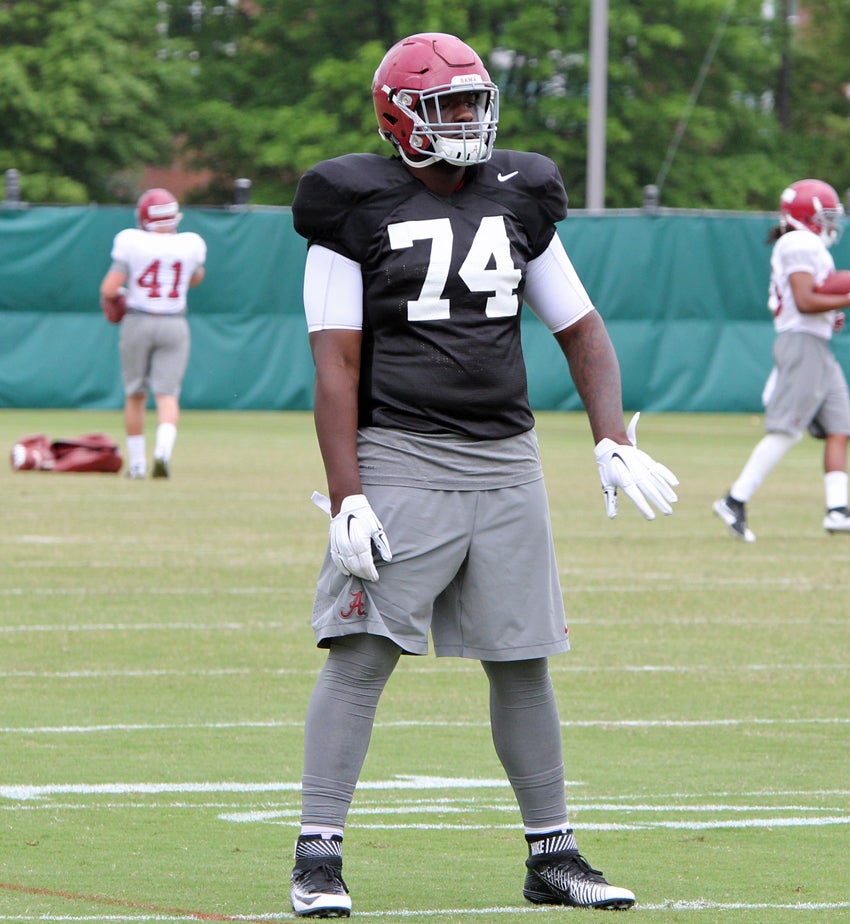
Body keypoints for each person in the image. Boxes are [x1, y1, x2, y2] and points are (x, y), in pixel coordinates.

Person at [289, 32, 679, 918]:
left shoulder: (518, 192)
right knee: (359, 655)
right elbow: (336, 367)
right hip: (403, 456)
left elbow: (579, 327)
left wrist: (609, 436)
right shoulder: (348, 205)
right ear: (400, 117)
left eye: (472, 102)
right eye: (446, 106)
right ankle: (318, 857)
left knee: (523, 660)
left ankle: (554, 855)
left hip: (507, 459)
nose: (466, 120)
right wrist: (349, 493)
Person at [714, 178, 850, 542]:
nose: (831, 223)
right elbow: (805, 301)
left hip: (817, 345)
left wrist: (835, 307)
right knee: (787, 430)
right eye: (826, 215)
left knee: (841, 427)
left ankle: (838, 511)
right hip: (801, 343)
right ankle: (734, 500)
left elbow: (819, 299)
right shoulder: (799, 242)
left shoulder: (808, 244)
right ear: (808, 214)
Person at [99, 188, 206, 479]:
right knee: (167, 394)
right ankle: (162, 452)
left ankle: (136, 465)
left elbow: (109, 288)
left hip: (139, 321)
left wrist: (118, 295)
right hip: (174, 322)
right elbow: (196, 277)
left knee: (135, 394)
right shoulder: (190, 244)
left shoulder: (131, 241)